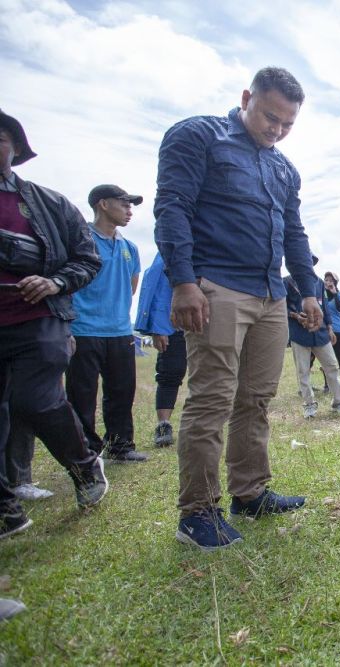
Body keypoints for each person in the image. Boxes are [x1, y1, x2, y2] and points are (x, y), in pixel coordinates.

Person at [155, 67, 315, 550]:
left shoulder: (284, 167)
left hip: (270, 295)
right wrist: (183, 282)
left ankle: (250, 491)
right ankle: (198, 512)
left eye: (288, 124)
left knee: (256, 399)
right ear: (246, 98)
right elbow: (172, 207)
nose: (277, 130)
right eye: (270, 117)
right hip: (217, 287)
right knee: (211, 399)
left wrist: (307, 288)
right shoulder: (198, 135)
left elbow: (293, 232)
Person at [0, 108, 109, 539]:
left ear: (15, 147)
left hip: (38, 320)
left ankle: (84, 467)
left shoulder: (48, 203)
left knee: (35, 399)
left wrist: (54, 281)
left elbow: (87, 259)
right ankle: (6, 506)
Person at [66, 184, 144, 462]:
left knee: (122, 392)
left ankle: (121, 447)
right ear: (103, 204)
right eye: (123, 204)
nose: (129, 210)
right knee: (82, 396)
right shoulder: (79, 241)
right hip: (83, 329)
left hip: (120, 331)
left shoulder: (129, 247)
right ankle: (86, 452)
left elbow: (132, 286)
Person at [134, 252, 187, 447]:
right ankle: (163, 424)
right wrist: (158, 326)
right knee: (170, 372)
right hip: (175, 323)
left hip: (209, 321)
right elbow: (157, 285)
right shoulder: (172, 247)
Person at [285, 260, 340, 418]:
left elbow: (324, 307)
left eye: (310, 262)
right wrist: (294, 315)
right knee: (303, 370)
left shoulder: (318, 282)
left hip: (320, 332)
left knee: (332, 366)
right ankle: (309, 405)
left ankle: (339, 402)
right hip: (299, 333)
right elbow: (281, 306)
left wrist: (329, 327)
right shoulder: (286, 282)